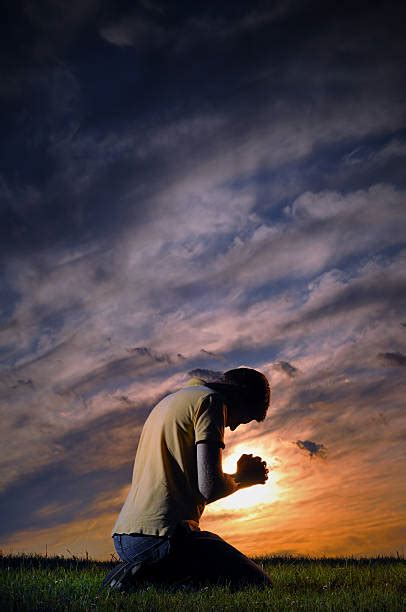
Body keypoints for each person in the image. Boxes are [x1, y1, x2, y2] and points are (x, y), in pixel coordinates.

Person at [102, 367, 272, 591]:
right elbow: (210, 488)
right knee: (256, 583)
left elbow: (190, 492)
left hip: (126, 538)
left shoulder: (172, 402)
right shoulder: (211, 403)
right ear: (239, 396)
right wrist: (242, 478)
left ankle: (143, 571)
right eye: (243, 417)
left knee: (205, 577)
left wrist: (239, 480)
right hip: (164, 536)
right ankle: (146, 578)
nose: (233, 426)